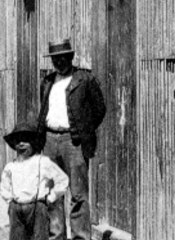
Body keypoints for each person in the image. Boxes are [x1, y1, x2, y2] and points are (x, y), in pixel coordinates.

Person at [36, 39, 105, 240]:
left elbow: (99, 109)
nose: (59, 62)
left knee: (78, 195)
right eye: (55, 59)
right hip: (49, 140)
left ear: (71, 57)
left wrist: (83, 130)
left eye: (63, 58)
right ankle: (57, 236)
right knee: (53, 194)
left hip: (73, 142)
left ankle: (80, 237)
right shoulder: (48, 81)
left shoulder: (84, 79)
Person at [0, 122, 69, 240]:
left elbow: (62, 180)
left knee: (39, 236)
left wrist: (50, 198)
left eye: (26, 141)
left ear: (33, 143)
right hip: (17, 209)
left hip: (37, 208)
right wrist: (10, 200)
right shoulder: (11, 166)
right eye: (18, 141)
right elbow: (4, 185)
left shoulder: (42, 162)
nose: (21, 144)